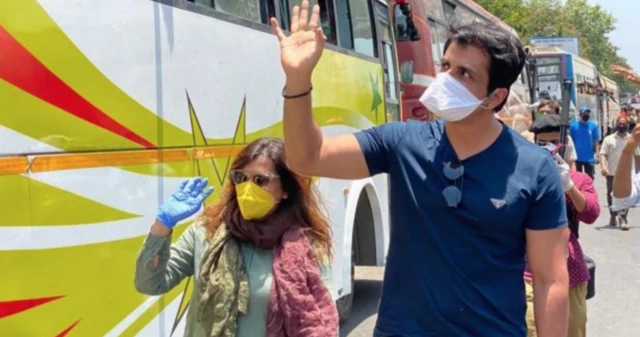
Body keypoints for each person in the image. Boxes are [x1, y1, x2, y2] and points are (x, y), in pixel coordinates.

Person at [270, 2, 569, 336]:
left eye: (464, 74)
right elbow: (306, 158)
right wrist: (298, 79)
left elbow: (550, 281)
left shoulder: (534, 167)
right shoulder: (402, 141)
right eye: (446, 66)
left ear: (495, 97)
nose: (445, 80)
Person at [134, 138, 338, 337]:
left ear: (285, 189)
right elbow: (149, 283)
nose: (247, 187)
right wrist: (162, 226)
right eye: (241, 178)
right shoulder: (207, 232)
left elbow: (323, 319)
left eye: (260, 180)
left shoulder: (307, 246)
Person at [524, 114, 600, 337]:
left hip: (572, 272)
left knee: (573, 330)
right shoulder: (524, 177)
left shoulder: (578, 179)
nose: (549, 149)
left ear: (565, 145)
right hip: (529, 273)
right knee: (531, 329)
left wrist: (568, 185)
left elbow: (591, 213)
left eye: (554, 143)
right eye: (542, 144)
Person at [600, 117, 640, 229]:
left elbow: (637, 156)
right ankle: (613, 215)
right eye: (620, 123)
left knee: (625, 195)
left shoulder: (632, 139)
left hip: (628, 174)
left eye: (624, 123)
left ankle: (622, 217)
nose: (621, 125)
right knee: (610, 194)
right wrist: (603, 166)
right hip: (612, 172)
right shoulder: (609, 139)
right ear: (616, 124)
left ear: (627, 125)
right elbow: (603, 154)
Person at [521, 99, 578, 168]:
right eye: (541, 113)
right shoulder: (525, 136)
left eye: (549, 113)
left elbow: (571, 163)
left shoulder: (564, 138)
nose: (545, 115)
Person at [569, 107, 600, 179]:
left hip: (589, 158)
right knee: (577, 179)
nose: (586, 115)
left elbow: (596, 140)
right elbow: (570, 140)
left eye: (588, 113)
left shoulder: (593, 126)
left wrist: (597, 153)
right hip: (577, 157)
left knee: (589, 178)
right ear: (580, 115)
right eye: (584, 113)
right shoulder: (573, 126)